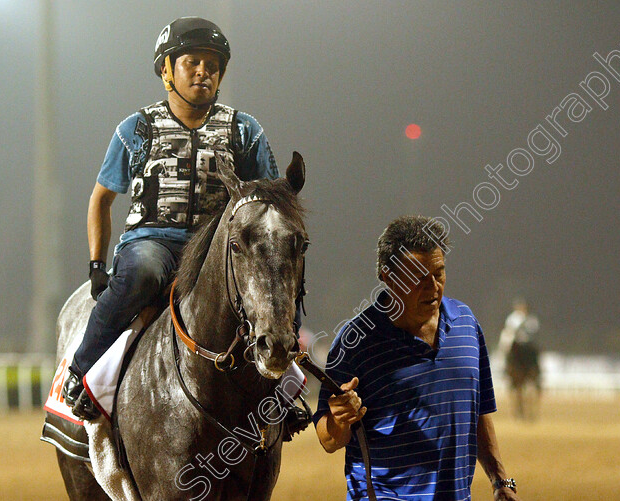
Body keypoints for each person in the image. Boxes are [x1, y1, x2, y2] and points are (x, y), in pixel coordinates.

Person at [62, 17, 280, 420]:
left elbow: (269, 201)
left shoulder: (245, 130)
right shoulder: (136, 128)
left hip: (218, 246)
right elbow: (100, 199)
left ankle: (287, 385)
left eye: (212, 65)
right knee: (142, 272)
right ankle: (80, 372)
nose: (203, 71)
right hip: (153, 243)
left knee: (274, 277)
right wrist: (96, 264)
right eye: (192, 62)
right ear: (166, 69)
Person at [313, 215, 522, 501]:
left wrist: (501, 480)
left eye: (438, 273)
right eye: (419, 278)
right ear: (388, 276)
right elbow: (327, 439)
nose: (433, 287)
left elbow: (478, 411)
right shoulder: (355, 343)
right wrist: (340, 419)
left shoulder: (466, 324)